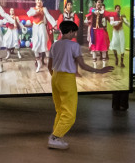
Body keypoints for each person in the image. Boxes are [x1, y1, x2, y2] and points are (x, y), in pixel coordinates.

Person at [47, 20, 113, 150]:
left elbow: (50, 66)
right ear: (71, 31)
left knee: (60, 110)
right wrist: (99, 70)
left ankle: (57, 137)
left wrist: (56, 77)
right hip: (67, 79)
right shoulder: (74, 45)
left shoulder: (55, 45)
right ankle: (54, 137)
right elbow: (82, 65)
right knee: (70, 114)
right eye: (75, 31)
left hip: (55, 77)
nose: (75, 34)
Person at [27, 0, 56, 71]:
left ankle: (50, 65)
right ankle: (39, 63)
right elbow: (29, 14)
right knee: (35, 45)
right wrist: (36, 11)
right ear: (35, 1)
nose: (39, 1)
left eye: (40, 0)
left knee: (44, 44)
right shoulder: (32, 9)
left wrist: (54, 24)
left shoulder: (44, 9)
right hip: (35, 28)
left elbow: (48, 16)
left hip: (42, 27)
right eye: (38, 0)